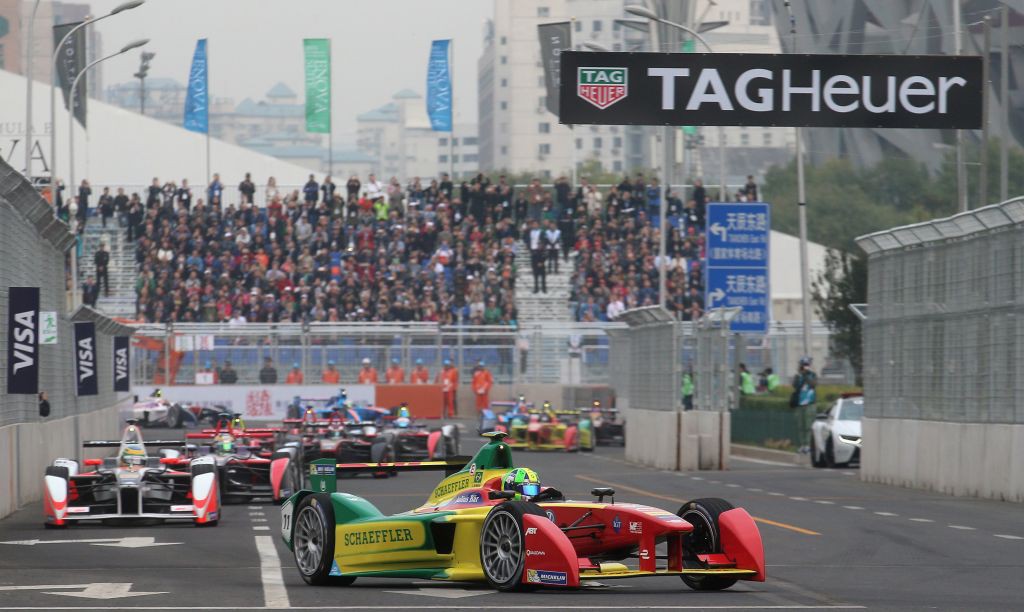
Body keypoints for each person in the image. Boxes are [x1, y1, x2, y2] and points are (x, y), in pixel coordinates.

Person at [791, 357, 818, 453]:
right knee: (801, 426)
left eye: (806, 365)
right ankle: (802, 445)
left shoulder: (812, 375)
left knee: (809, 425)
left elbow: (813, 385)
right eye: (803, 365)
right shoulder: (798, 375)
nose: (804, 367)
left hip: (809, 404)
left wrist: (807, 375)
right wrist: (800, 374)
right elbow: (794, 385)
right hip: (799, 404)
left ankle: (808, 445)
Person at [527, 220, 546, 294]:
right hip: (533, 252)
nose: (535, 225)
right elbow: (528, 240)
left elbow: (543, 241)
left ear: (538, 225)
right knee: (535, 272)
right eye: (533, 224)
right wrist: (529, 248)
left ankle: (544, 288)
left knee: (542, 273)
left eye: (536, 224)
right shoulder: (530, 232)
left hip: (540, 251)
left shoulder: (541, 232)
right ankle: (536, 288)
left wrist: (541, 247)